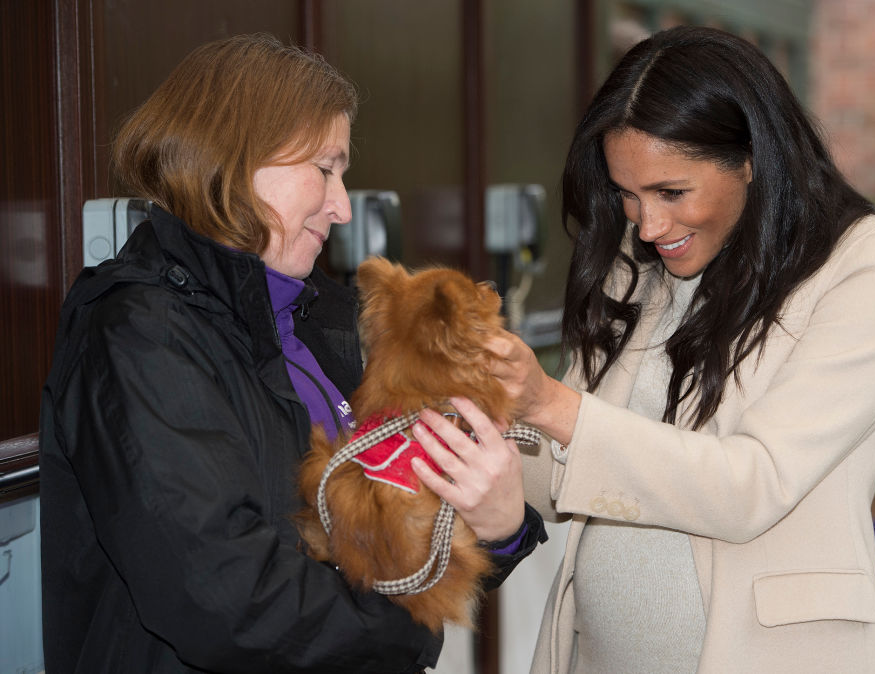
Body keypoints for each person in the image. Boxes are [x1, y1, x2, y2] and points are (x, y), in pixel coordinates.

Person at [38, 34, 544, 674]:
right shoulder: (138, 333)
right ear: (236, 156)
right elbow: (225, 599)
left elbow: (390, 542)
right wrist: (410, 630)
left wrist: (501, 528)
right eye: (326, 169)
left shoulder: (313, 320)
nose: (339, 206)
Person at [472, 25, 875, 674]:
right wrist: (483, 422)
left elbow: (753, 484)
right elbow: (557, 478)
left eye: (671, 192)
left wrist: (550, 404)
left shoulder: (873, 267)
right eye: (628, 196)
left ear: (750, 159)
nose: (648, 225)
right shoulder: (638, 264)